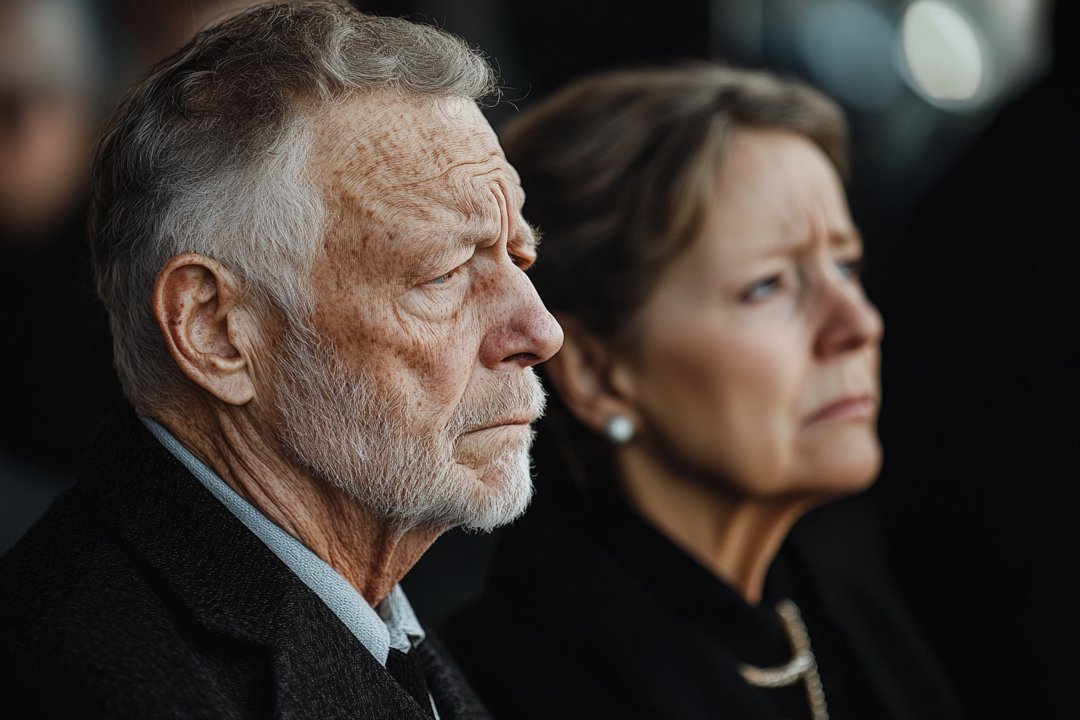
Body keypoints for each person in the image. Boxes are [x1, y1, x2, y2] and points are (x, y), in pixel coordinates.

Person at [0, 2, 562, 718]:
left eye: (518, 256)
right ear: (216, 331)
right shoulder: (87, 680)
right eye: (444, 274)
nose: (540, 331)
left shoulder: (365, 607)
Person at [444, 64, 965, 720]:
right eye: (768, 285)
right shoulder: (514, 687)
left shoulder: (848, 605)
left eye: (845, 265)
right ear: (597, 374)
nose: (859, 324)